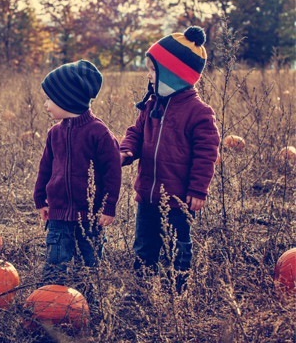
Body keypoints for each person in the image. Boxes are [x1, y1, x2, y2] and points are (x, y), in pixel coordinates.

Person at [119, 26, 220, 294]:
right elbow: (136, 133)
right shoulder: (153, 104)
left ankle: (176, 291)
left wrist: (198, 189)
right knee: (144, 246)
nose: (148, 76)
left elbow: (206, 153)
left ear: (174, 74)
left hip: (179, 199)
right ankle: (140, 290)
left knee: (178, 246)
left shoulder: (199, 113)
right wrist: (126, 151)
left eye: (153, 70)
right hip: (147, 195)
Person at [34, 60, 122, 286]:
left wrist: (108, 206)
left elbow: (111, 173)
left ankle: (90, 297)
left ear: (68, 100)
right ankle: (50, 301)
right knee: (55, 262)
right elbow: (45, 167)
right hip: (59, 212)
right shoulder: (54, 133)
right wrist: (40, 199)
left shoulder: (99, 133)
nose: (46, 105)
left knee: (90, 264)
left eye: (49, 99)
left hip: (90, 215)